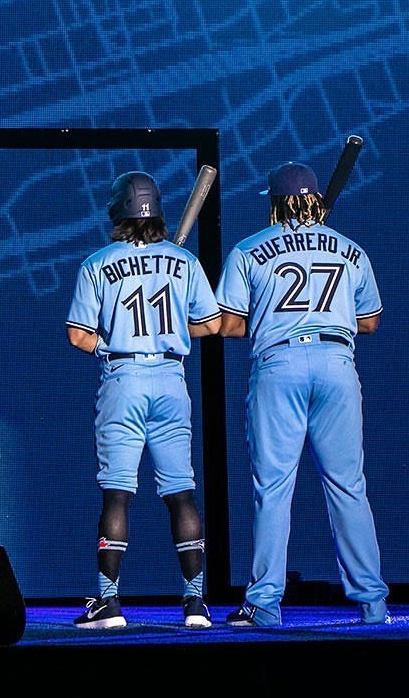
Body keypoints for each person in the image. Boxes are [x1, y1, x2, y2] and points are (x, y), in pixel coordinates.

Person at [215, 161, 389, 627]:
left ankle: (264, 604)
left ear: (275, 203)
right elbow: (370, 320)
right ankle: (373, 604)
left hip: (280, 364)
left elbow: (228, 324)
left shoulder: (250, 248)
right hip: (336, 364)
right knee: (348, 485)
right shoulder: (350, 249)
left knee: (273, 487)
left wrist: (275, 318)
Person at [66, 170, 221, 629]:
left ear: (117, 212)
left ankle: (108, 603)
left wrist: (112, 342)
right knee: (180, 491)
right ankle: (196, 603)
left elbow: (78, 336)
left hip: (124, 377)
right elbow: (212, 324)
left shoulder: (97, 263)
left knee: (118, 493)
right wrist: (167, 328)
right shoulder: (184, 260)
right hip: (171, 379)